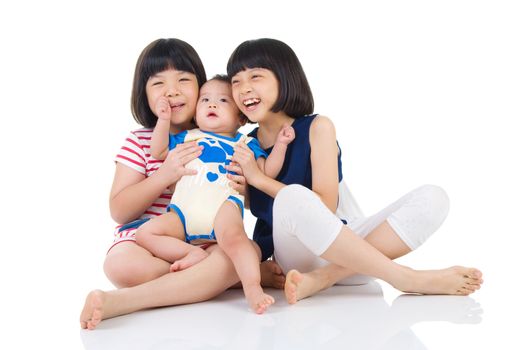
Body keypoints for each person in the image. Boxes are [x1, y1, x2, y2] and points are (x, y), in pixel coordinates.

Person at [227, 38, 483, 304]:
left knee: (434, 198)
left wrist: (259, 179)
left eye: (255, 76)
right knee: (292, 198)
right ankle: (405, 277)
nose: (244, 88)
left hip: (347, 251)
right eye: (235, 81)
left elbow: (325, 206)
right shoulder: (242, 147)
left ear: (285, 78)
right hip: (295, 258)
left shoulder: (318, 127)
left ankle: (325, 278)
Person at [80, 38, 285, 330]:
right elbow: (119, 211)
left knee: (242, 250)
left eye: (183, 80)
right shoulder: (140, 142)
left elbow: (248, 195)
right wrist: (164, 175)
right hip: (151, 238)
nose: (172, 91)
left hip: (209, 238)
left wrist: (246, 187)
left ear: (202, 88)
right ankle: (221, 279)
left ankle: (126, 301)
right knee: (120, 266)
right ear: (143, 94)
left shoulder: (228, 139)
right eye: (158, 83)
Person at [135, 74, 295, 313]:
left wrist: (280, 146)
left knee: (236, 241)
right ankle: (193, 254)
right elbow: (157, 150)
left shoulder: (244, 144)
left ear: (240, 117)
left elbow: (266, 172)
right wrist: (163, 119)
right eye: (205, 99)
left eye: (222, 100)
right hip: (182, 210)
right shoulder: (185, 137)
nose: (212, 104)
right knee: (145, 233)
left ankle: (252, 287)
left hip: (223, 205)